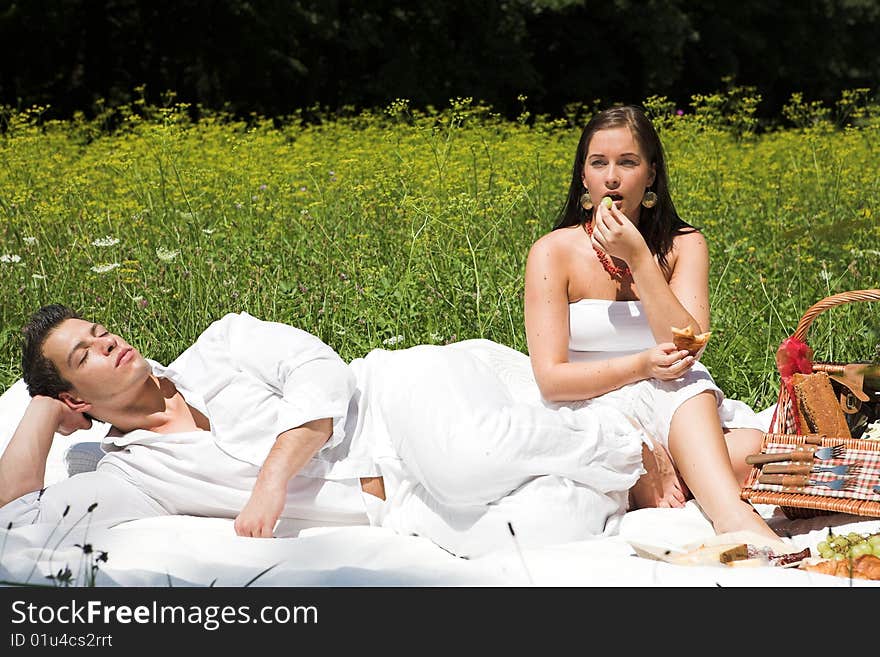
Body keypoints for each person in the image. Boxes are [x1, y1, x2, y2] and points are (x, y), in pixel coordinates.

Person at [0, 304, 648, 558]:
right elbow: (19, 519)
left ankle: (625, 445)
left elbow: (320, 370)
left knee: (465, 460)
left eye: (99, 331)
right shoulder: (129, 474)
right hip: (394, 504)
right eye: (85, 354)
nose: (107, 341)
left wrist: (272, 476)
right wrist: (39, 408)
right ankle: (606, 475)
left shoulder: (221, 344)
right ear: (75, 396)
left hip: (398, 399)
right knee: (527, 533)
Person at [524, 105, 779, 541]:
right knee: (726, 456)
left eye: (628, 162)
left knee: (749, 448)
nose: (612, 177)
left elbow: (689, 342)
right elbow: (551, 381)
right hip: (589, 400)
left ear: (651, 174)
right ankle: (708, 495)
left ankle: (712, 502)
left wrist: (639, 258)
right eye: (598, 163)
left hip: (673, 397)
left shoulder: (684, 244)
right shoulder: (552, 252)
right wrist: (640, 366)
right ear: (583, 177)